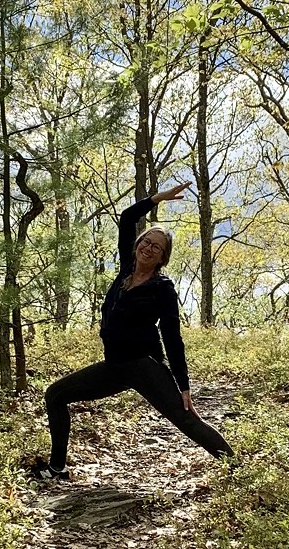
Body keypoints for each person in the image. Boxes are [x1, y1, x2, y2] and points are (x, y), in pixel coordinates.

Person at [31, 182, 233, 480]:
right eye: (146, 242)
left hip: (144, 367)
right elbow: (127, 218)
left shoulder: (162, 288)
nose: (148, 248)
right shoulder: (127, 269)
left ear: (163, 257)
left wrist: (184, 385)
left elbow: (172, 336)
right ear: (138, 244)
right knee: (55, 395)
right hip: (115, 366)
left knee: (186, 419)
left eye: (157, 247)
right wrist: (157, 199)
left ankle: (238, 469)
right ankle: (57, 467)